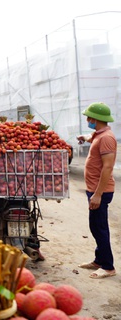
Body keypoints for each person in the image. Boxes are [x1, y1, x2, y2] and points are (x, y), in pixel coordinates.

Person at [77, 102, 117, 279]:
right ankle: (99, 260)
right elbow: (92, 137)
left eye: (89, 117)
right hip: (94, 190)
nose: (87, 120)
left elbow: (108, 168)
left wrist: (98, 194)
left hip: (100, 191)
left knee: (99, 228)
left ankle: (108, 266)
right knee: (95, 226)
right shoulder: (99, 135)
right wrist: (84, 137)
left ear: (96, 119)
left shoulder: (107, 138)